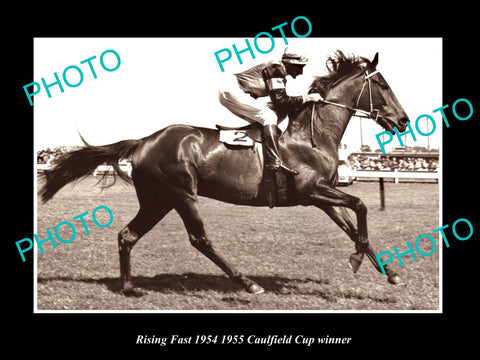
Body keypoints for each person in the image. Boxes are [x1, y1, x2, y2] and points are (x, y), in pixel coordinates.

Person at [218, 47, 323, 175]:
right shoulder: (276, 69)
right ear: (289, 63)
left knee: (273, 117)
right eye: (299, 67)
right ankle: (275, 160)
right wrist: (307, 98)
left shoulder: (279, 71)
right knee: (269, 117)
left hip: (230, 91)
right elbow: (281, 101)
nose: (301, 72)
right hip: (232, 89)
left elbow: (281, 106)